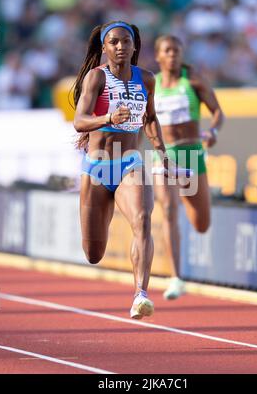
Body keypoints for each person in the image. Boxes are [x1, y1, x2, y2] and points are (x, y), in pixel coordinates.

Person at [73, 21, 169, 319]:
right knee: (93, 254)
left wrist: (163, 154)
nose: (120, 47)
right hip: (97, 169)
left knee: (143, 218)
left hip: (130, 163)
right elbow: (79, 121)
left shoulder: (147, 79)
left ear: (134, 46)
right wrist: (108, 117)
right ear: (104, 47)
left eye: (126, 42)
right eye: (113, 42)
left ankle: (141, 294)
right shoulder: (96, 78)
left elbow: (150, 118)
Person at [153, 35, 225, 300]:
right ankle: (176, 278)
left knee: (201, 224)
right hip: (164, 157)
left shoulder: (193, 80)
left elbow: (218, 111)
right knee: (169, 210)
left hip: (192, 154)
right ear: (159, 56)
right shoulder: (153, 84)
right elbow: (144, 121)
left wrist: (214, 131)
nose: (172, 55)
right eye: (167, 51)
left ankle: (187, 196)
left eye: (177, 51)